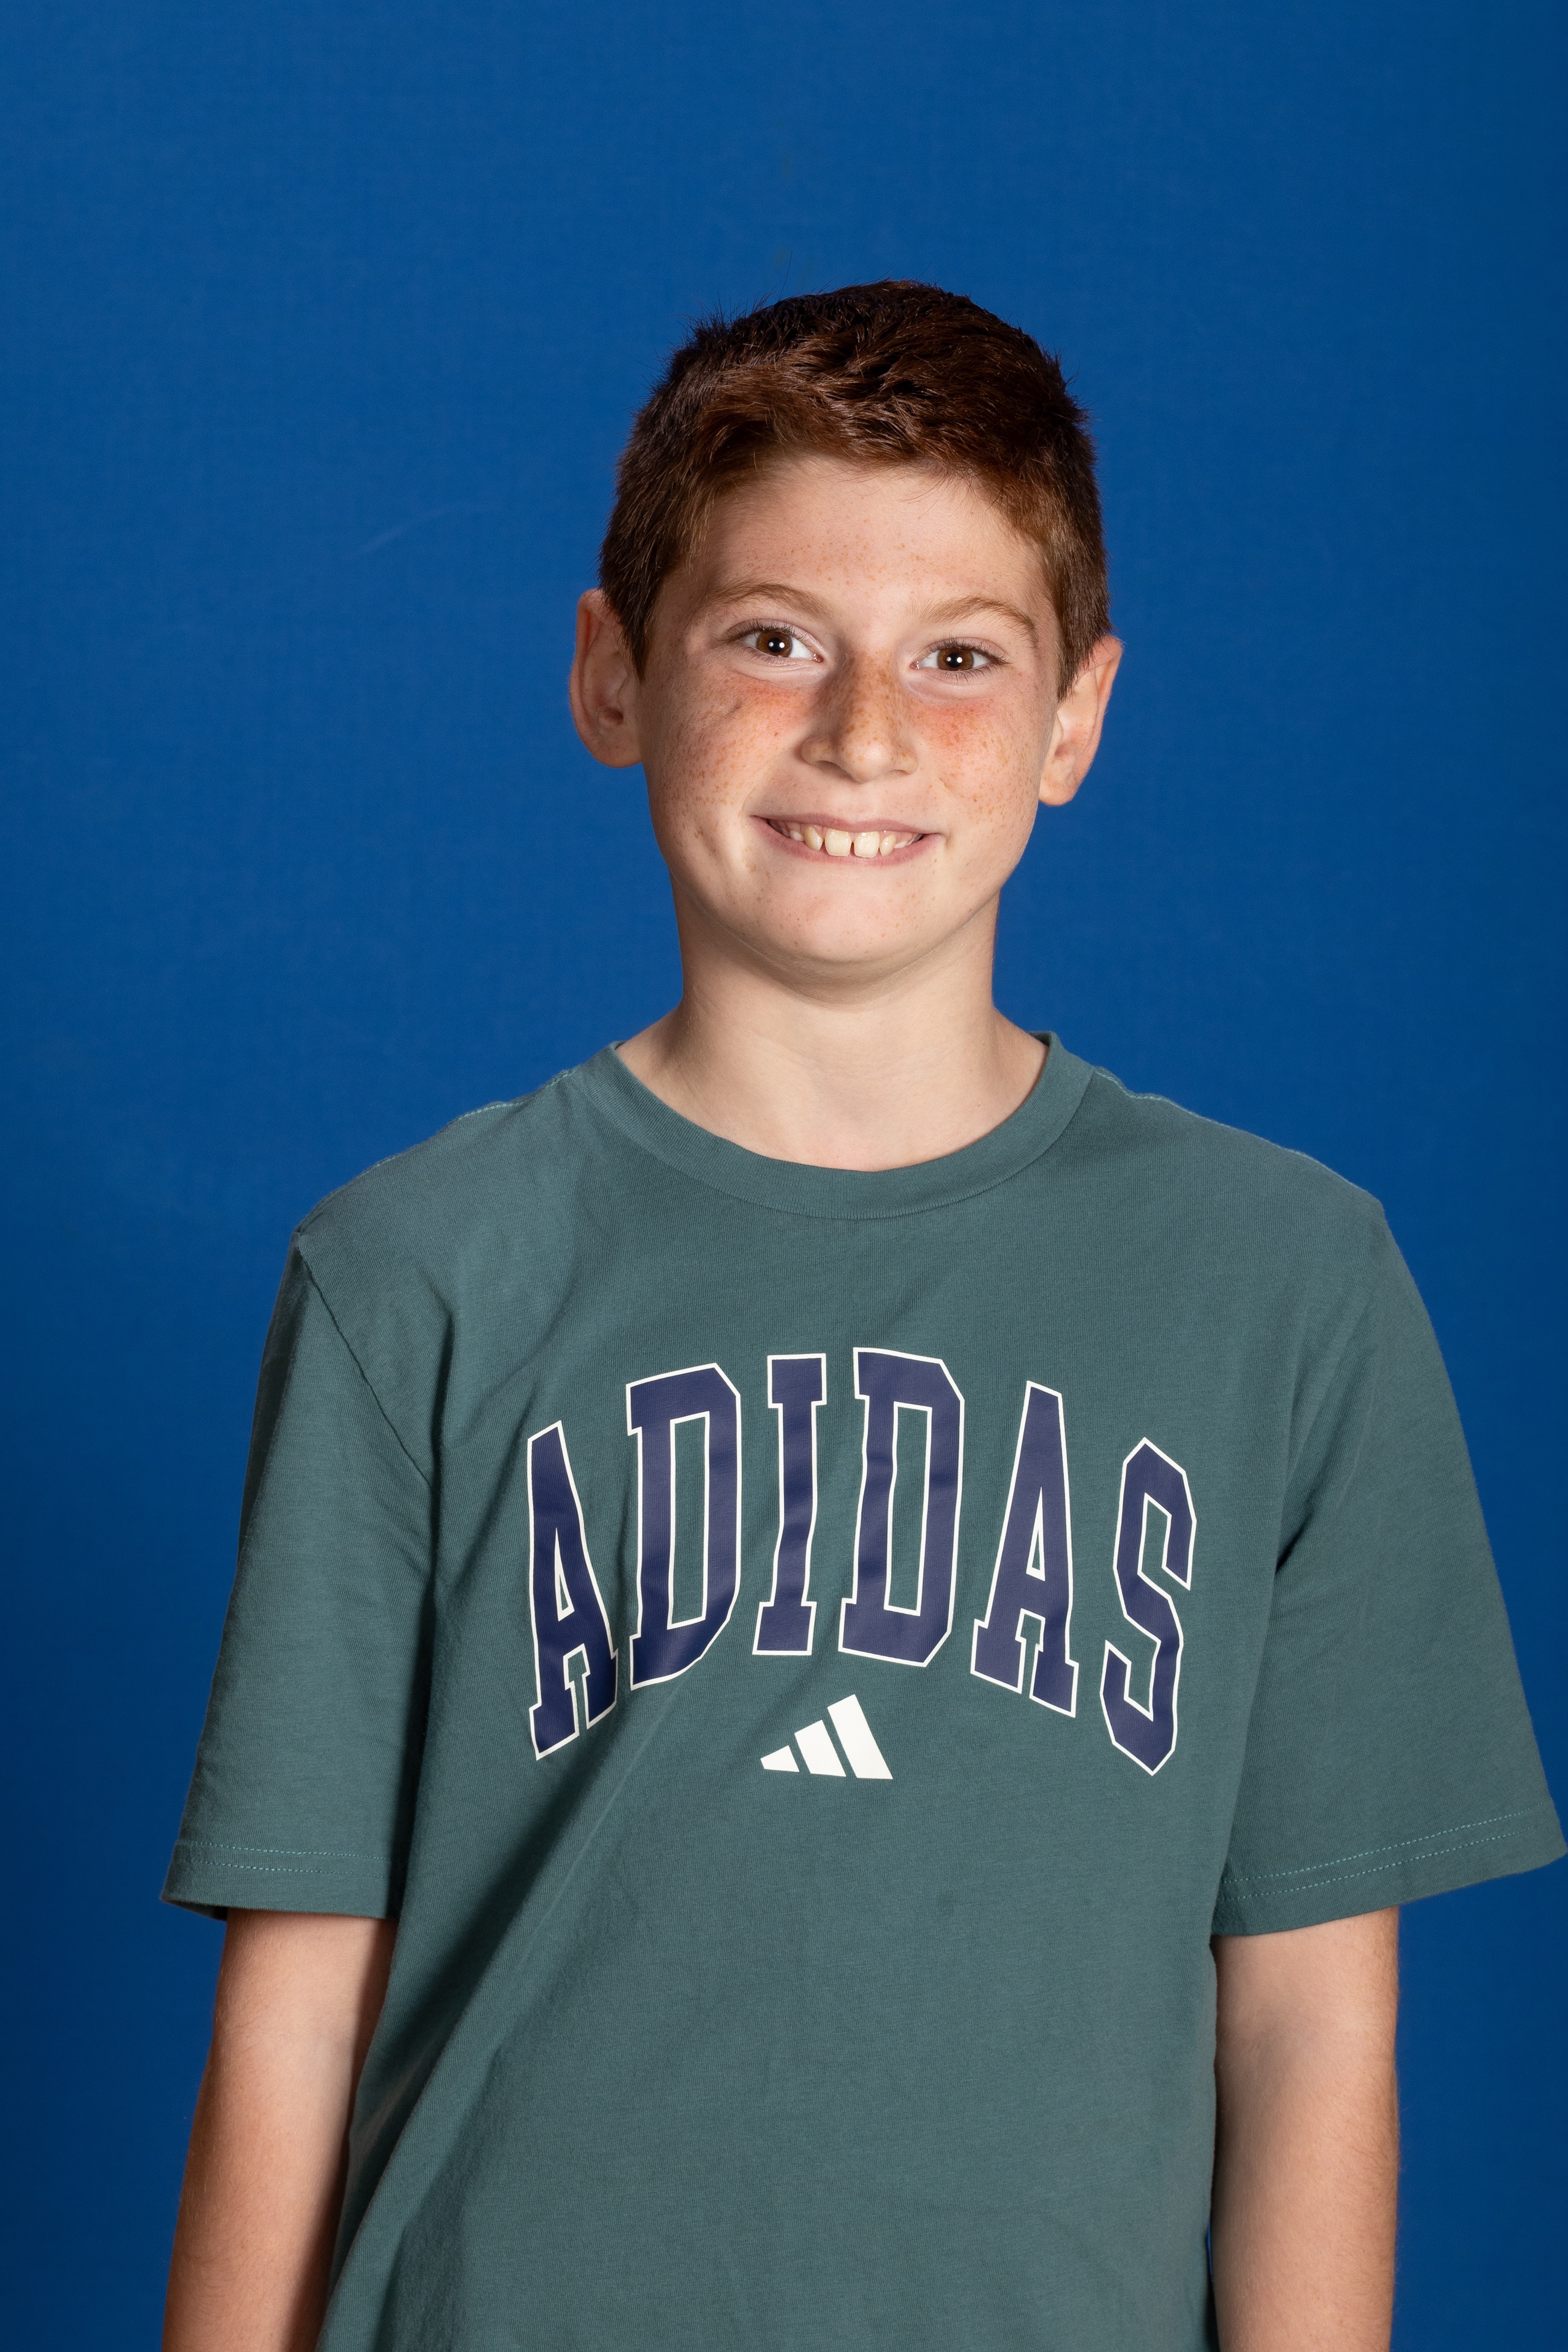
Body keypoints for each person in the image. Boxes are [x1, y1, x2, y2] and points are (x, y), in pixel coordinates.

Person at [161, 282, 1562, 2352]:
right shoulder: (414, 1269)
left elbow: (1311, 2027)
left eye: (960, 657)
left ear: (1078, 718)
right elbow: (299, 2004)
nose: (867, 734)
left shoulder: (1288, 1283)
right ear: (612, 670)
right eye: (773, 637)